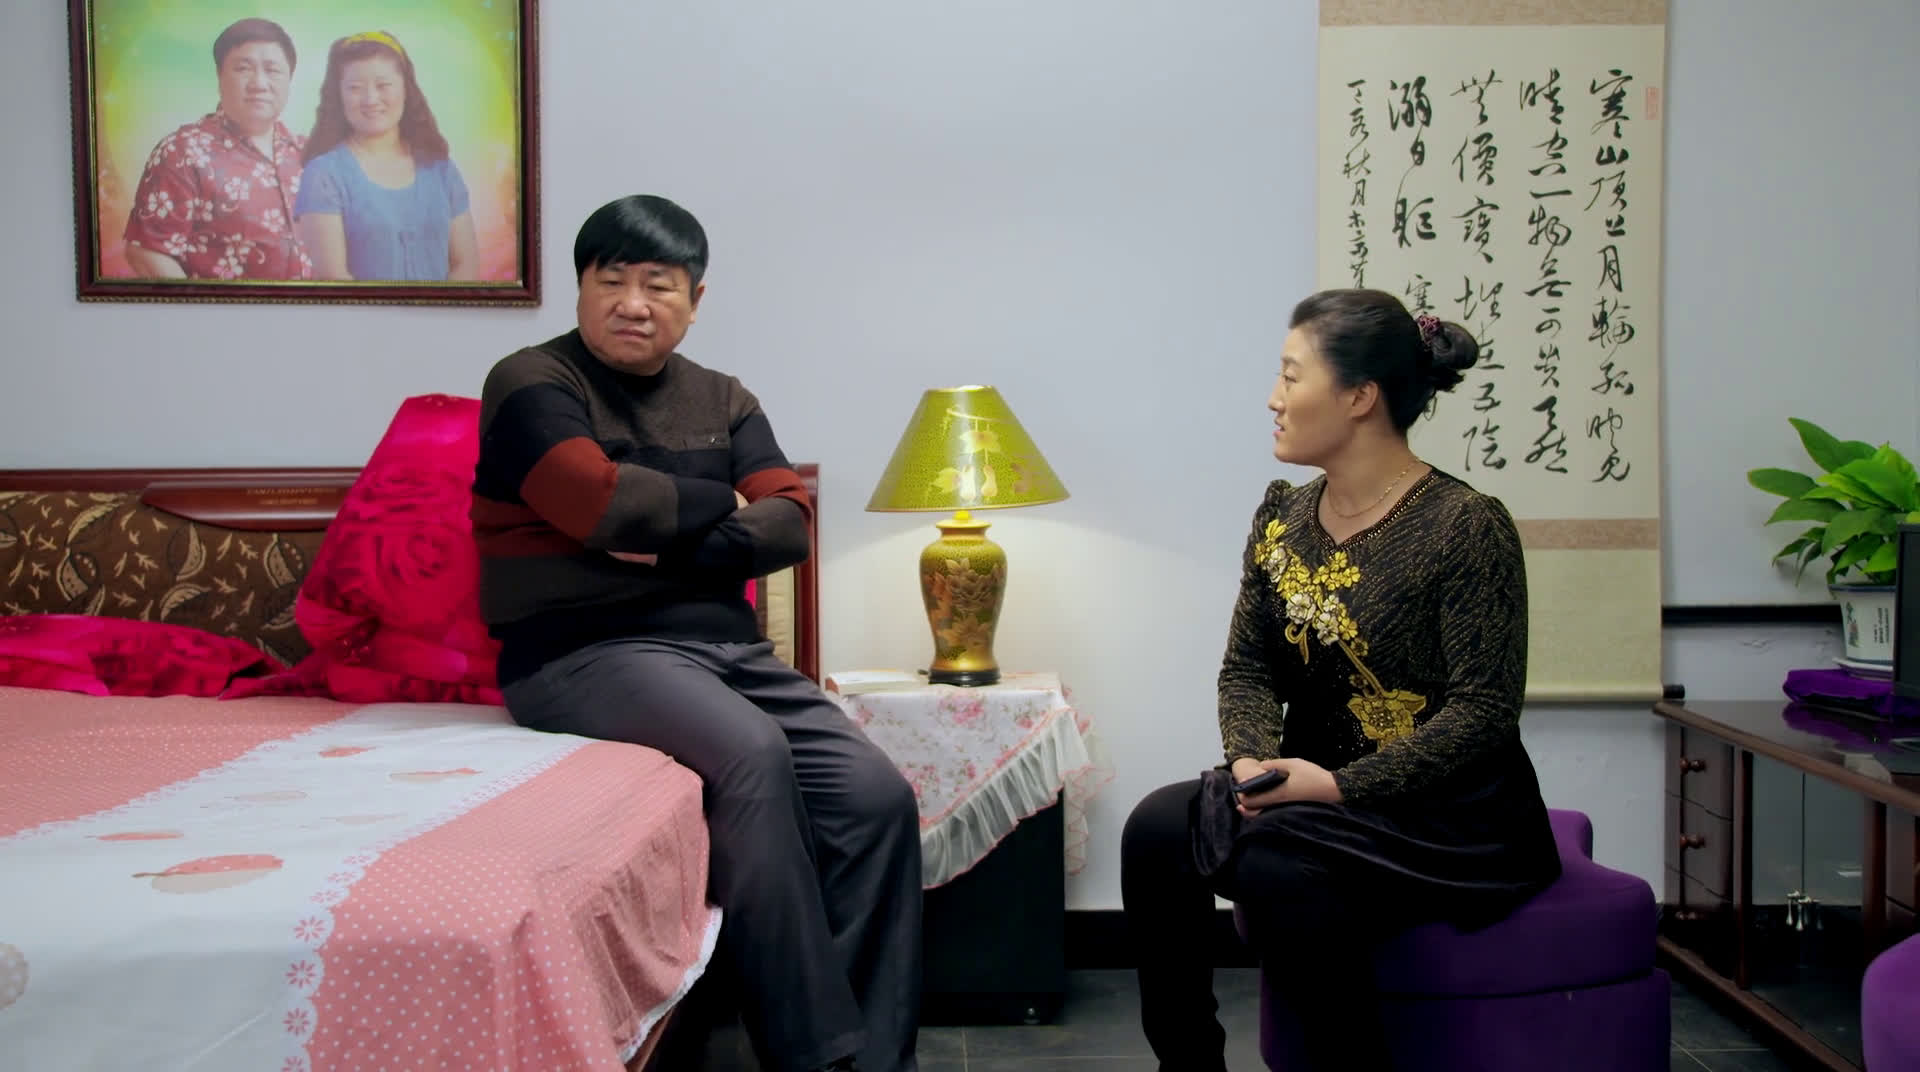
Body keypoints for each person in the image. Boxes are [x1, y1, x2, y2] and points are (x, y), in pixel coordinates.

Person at [470, 195, 922, 1072]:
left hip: (730, 653)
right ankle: (811, 1055)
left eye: (659, 284)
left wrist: (660, 528)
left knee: (876, 797)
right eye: (612, 280)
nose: (634, 303)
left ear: (695, 299)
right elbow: (601, 504)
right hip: (580, 653)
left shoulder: (724, 397)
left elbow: (790, 524)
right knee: (751, 753)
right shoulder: (530, 383)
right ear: (580, 286)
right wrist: (720, 504)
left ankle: (875, 1056)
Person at [1119, 289, 1564, 1071]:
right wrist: (1251, 761)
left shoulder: (1465, 525)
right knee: (1155, 830)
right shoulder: (1283, 516)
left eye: (1292, 376)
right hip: (1305, 784)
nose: (1273, 398)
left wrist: (1337, 786)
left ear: (1360, 397)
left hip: (1440, 814)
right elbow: (1249, 667)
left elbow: (1485, 711)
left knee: (1277, 867)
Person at [122, 18, 312, 280]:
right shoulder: (184, 152)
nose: (259, 83)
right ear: (220, 77)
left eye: (273, 70)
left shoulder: (309, 153)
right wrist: (201, 305)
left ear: (289, 80)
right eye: (243, 68)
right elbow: (146, 252)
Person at [294, 31, 478, 281]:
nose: (371, 99)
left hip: (445, 308)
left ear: (406, 89)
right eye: (355, 88)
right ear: (339, 96)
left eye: (383, 86)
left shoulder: (441, 168)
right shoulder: (323, 175)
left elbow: (466, 263)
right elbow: (334, 277)